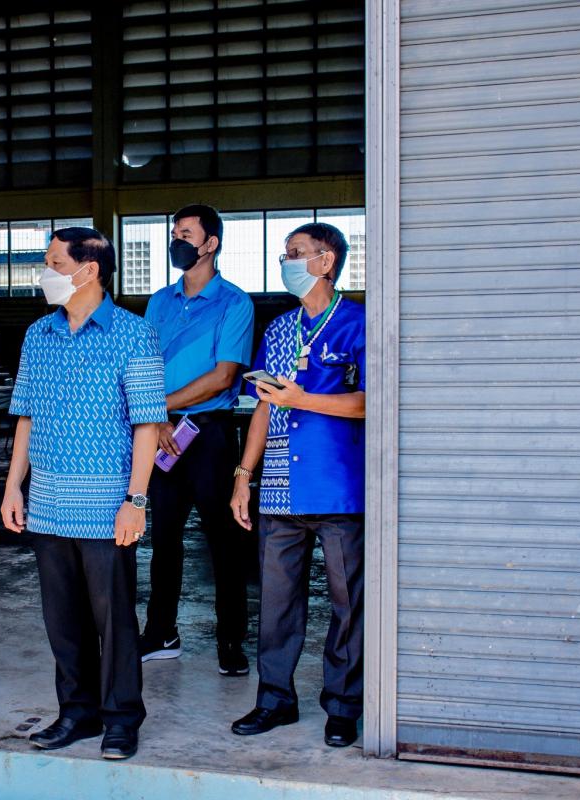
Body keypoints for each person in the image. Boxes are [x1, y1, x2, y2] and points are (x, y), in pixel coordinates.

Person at [0, 227, 166, 760]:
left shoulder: (133, 334)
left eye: (54, 263)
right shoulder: (38, 335)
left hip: (106, 507)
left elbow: (147, 425)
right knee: (63, 621)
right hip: (48, 504)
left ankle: (121, 718)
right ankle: (77, 712)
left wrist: (136, 500)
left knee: (113, 620)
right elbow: (25, 416)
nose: (44, 273)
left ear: (88, 270)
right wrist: (13, 486)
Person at [228, 222, 366, 748]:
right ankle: (275, 700)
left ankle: (343, 706)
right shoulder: (280, 329)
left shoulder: (358, 323)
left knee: (347, 603)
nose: (286, 261)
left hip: (339, 485)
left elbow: (369, 401)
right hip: (281, 487)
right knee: (277, 602)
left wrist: (301, 399)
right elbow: (265, 407)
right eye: (285, 253)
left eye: (296, 253)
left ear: (326, 261)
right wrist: (244, 476)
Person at [141, 204, 255, 676]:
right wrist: (156, 418)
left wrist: (161, 406)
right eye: (174, 233)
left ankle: (231, 638)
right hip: (162, 432)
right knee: (163, 537)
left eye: (186, 234)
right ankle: (161, 632)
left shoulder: (234, 303)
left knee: (223, 539)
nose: (177, 241)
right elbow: (145, 365)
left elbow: (223, 376)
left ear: (211, 244)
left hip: (208, 434)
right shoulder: (159, 302)